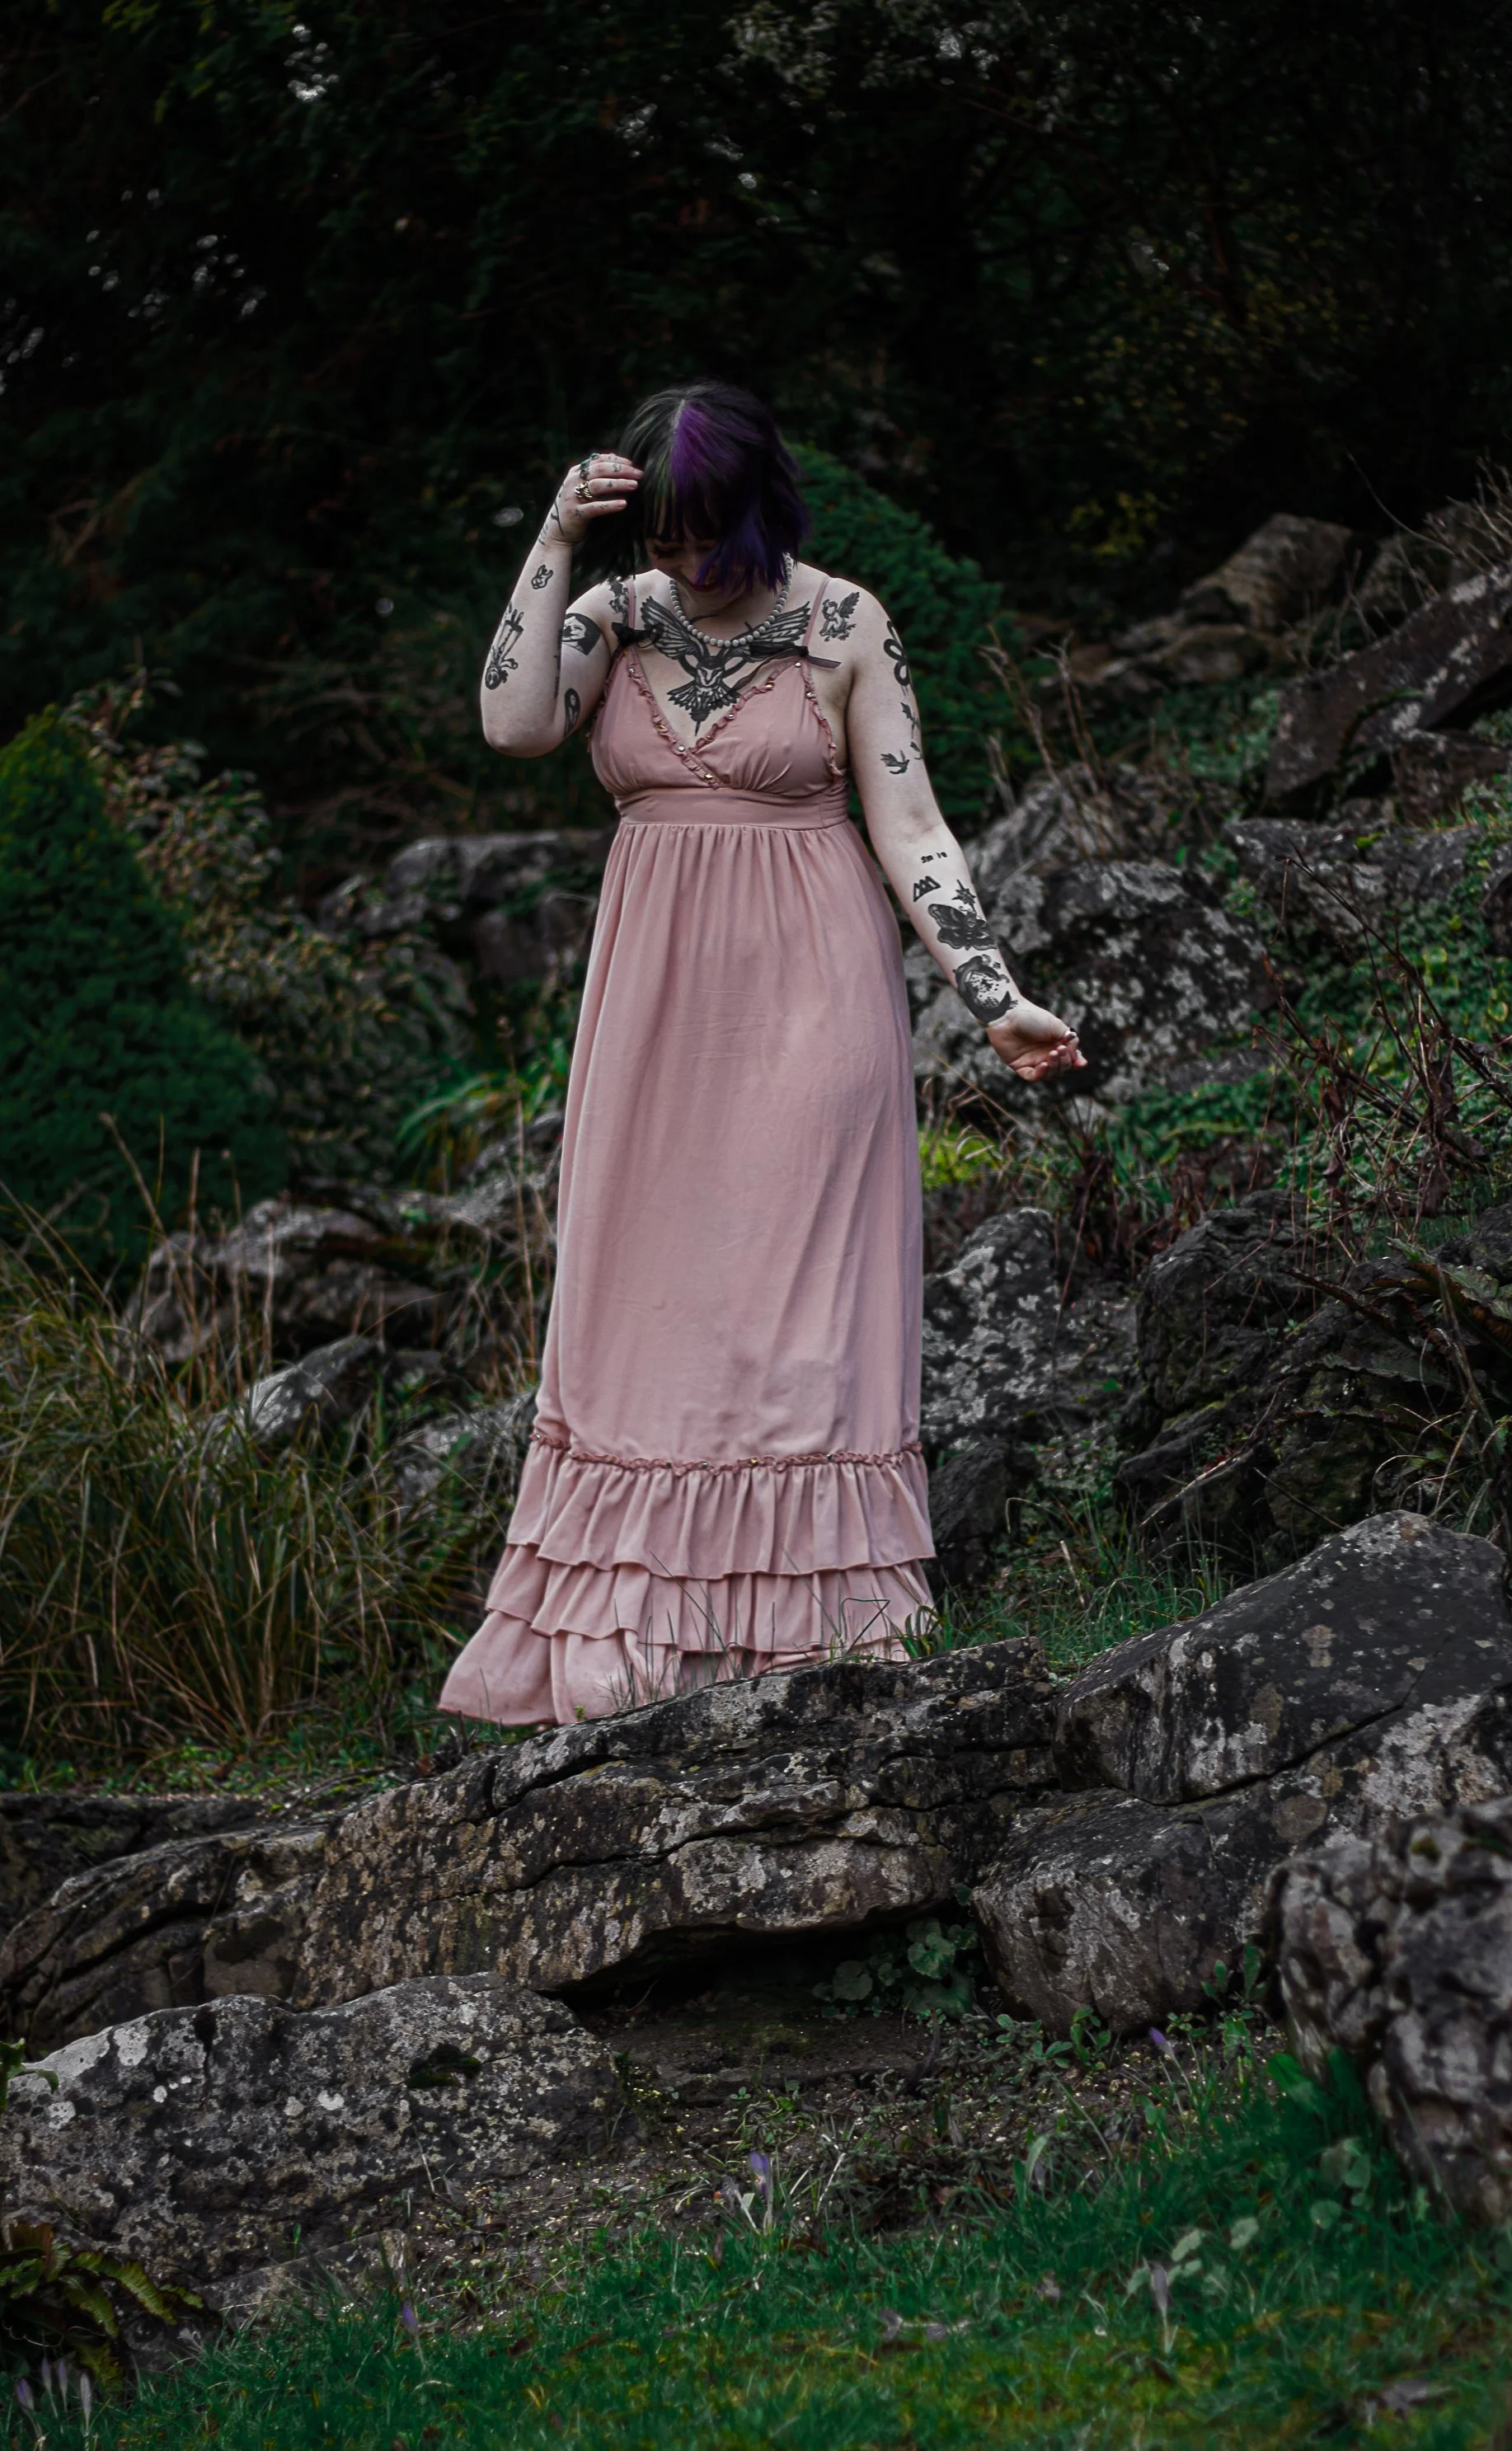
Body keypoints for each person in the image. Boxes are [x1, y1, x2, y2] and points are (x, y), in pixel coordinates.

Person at [438, 382, 1084, 1730]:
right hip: (654, 1015)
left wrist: (993, 993)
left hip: (814, 998)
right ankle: (642, 1645)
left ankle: (813, 1641)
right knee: (647, 1314)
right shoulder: (614, 618)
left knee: (798, 1321)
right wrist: (557, 539)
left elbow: (912, 828)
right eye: (661, 536)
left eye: (704, 535)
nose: (683, 562)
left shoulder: (847, 624)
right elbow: (513, 725)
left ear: (760, 508)